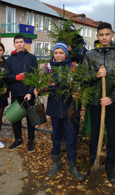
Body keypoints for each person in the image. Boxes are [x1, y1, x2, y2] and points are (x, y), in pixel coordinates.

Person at [35, 42, 85, 181]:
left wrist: (78, 93)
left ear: (65, 54)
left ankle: (72, 165)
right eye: (56, 53)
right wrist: (39, 90)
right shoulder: (48, 67)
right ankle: (56, 164)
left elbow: (79, 85)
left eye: (61, 53)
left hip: (70, 109)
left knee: (71, 139)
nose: (58, 55)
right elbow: (45, 87)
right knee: (56, 137)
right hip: (55, 109)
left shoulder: (73, 67)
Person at [83, 22, 115, 182]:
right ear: (97, 36)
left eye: (107, 34)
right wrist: (96, 76)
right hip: (95, 103)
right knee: (94, 135)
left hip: (113, 104)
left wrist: (112, 98)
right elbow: (84, 78)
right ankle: (94, 162)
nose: (104, 37)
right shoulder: (90, 55)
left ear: (112, 34)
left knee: (112, 136)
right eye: (101, 35)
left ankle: (109, 165)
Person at [5, 34, 38, 152]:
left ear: (24, 43)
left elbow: (35, 76)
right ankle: (18, 140)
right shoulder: (9, 59)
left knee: (31, 119)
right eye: (17, 42)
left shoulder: (31, 58)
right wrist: (15, 77)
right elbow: (7, 76)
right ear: (14, 44)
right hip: (16, 93)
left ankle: (31, 141)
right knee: (15, 118)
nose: (19, 44)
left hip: (28, 94)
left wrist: (30, 92)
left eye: (21, 42)